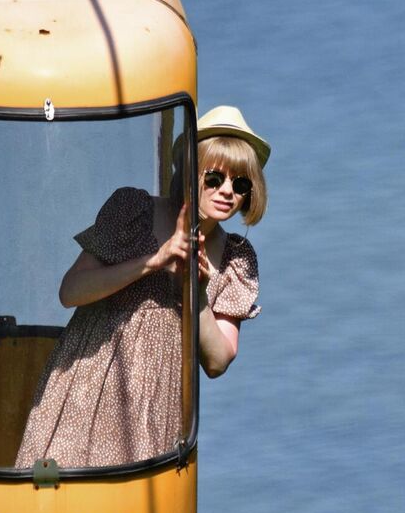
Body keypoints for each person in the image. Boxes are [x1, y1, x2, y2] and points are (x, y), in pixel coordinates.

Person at [14, 105, 269, 469]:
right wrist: (154, 261)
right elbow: (71, 291)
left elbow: (217, 361)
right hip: (86, 386)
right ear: (191, 171)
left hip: (153, 410)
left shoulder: (236, 258)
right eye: (214, 178)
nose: (227, 191)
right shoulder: (133, 209)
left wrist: (195, 292)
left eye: (240, 184)